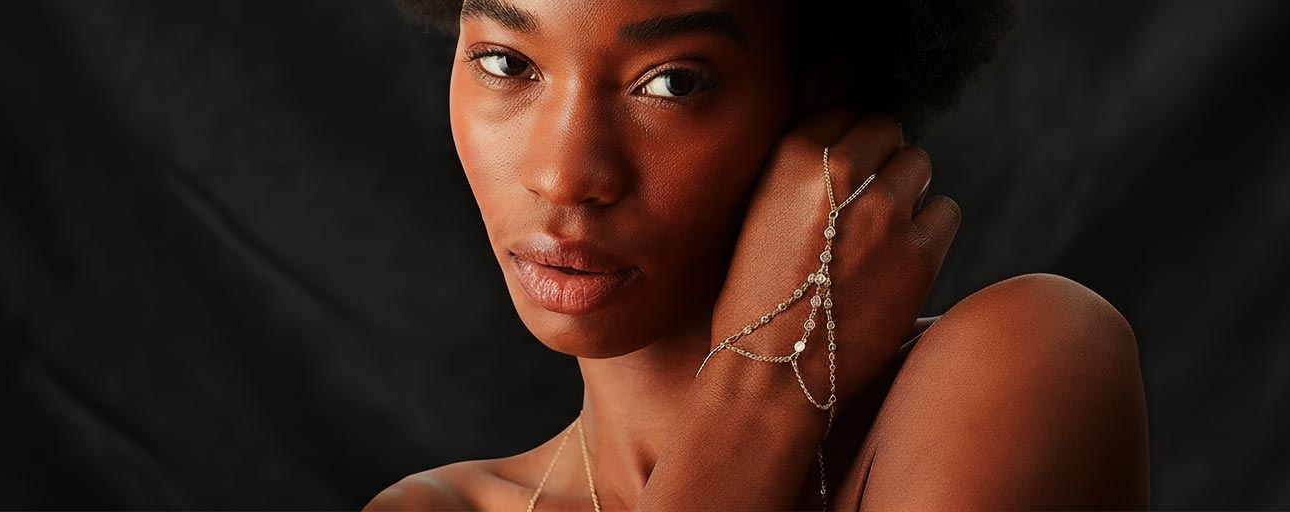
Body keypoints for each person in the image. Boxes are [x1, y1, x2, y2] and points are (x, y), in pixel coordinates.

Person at [369, 0, 1148, 509]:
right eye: (507, 63)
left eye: (672, 82)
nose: (565, 176)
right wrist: (766, 379)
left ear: (817, 95)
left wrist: (767, 382)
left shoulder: (1022, 364)